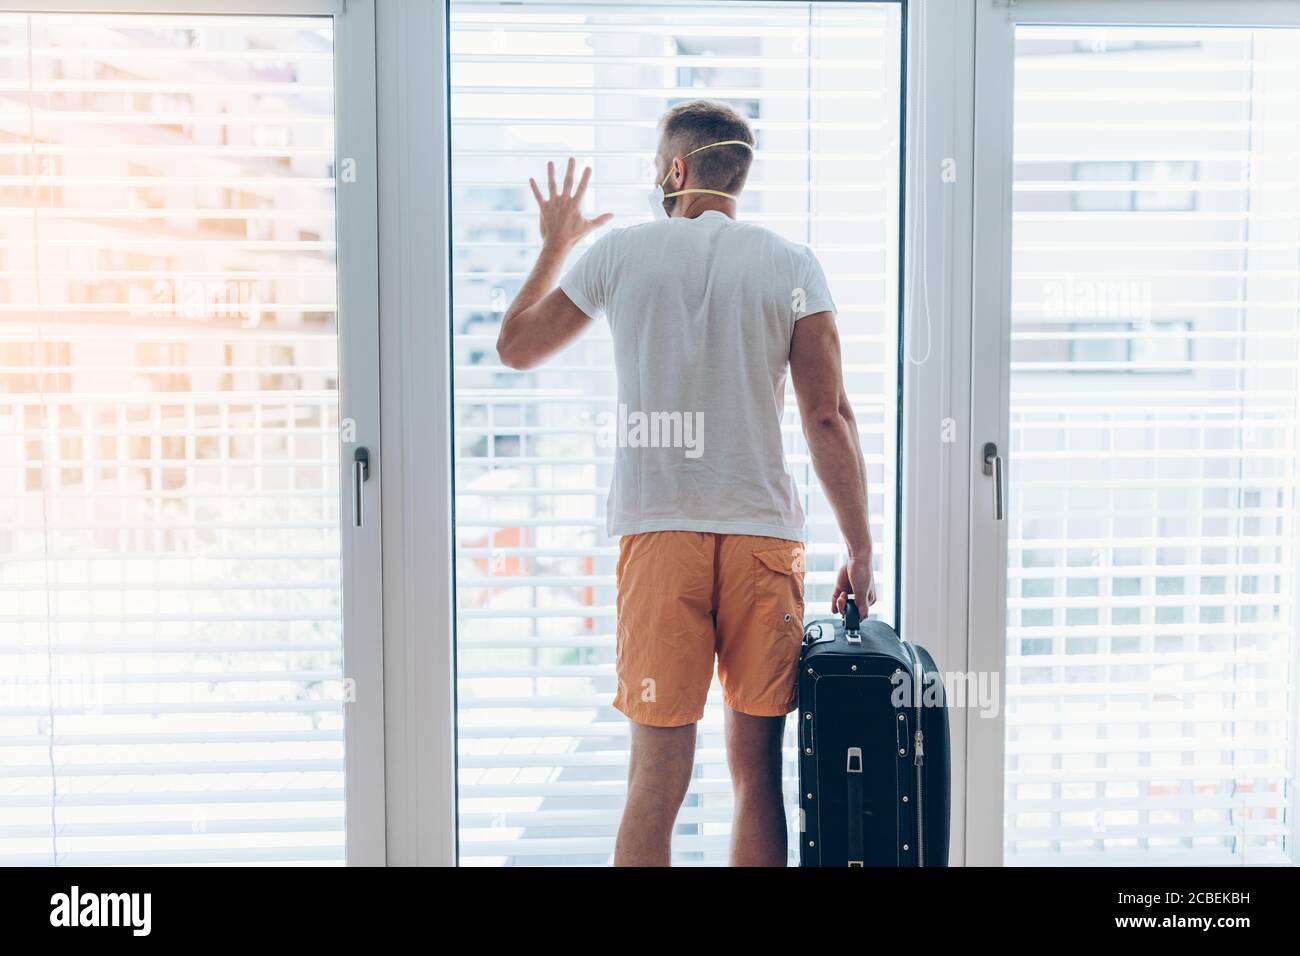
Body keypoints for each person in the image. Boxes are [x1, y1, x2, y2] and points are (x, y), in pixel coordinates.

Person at [496, 100, 876, 866]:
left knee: (656, 778)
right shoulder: (790, 264)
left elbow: (516, 347)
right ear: (736, 176)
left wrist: (556, 246)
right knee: (755, 775)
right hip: (761, 537)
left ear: (676, 170)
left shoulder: (621, 254)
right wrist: (860, 550)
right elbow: (827, 415)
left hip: (659, 533)